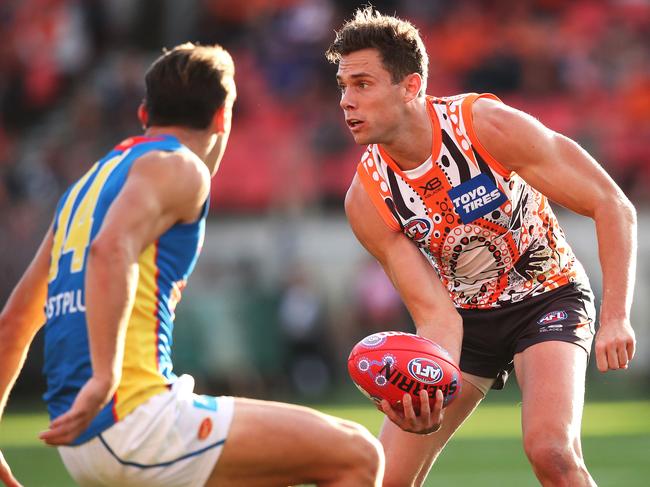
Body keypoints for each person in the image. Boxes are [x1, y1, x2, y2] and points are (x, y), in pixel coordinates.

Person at [0, 42, 384, 487]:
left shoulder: (84, 188)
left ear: (145, 114)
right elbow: (111, 250)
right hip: (135, 419)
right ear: (223, 117)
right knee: (357, 454)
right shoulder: (180, 167)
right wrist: (104, 379)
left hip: (83, 438)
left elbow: (14, 321)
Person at [326, 7, 636, 487]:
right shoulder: (366, 199)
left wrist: (616, 315)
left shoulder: (484, 126)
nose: (346, 101)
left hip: (548, 297)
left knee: (550, 451)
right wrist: (431, 387)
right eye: (343, 86)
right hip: (463, 320)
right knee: (383, 478)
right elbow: (436, 315)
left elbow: (612, 204)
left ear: (410, 86)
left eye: (362, 84)